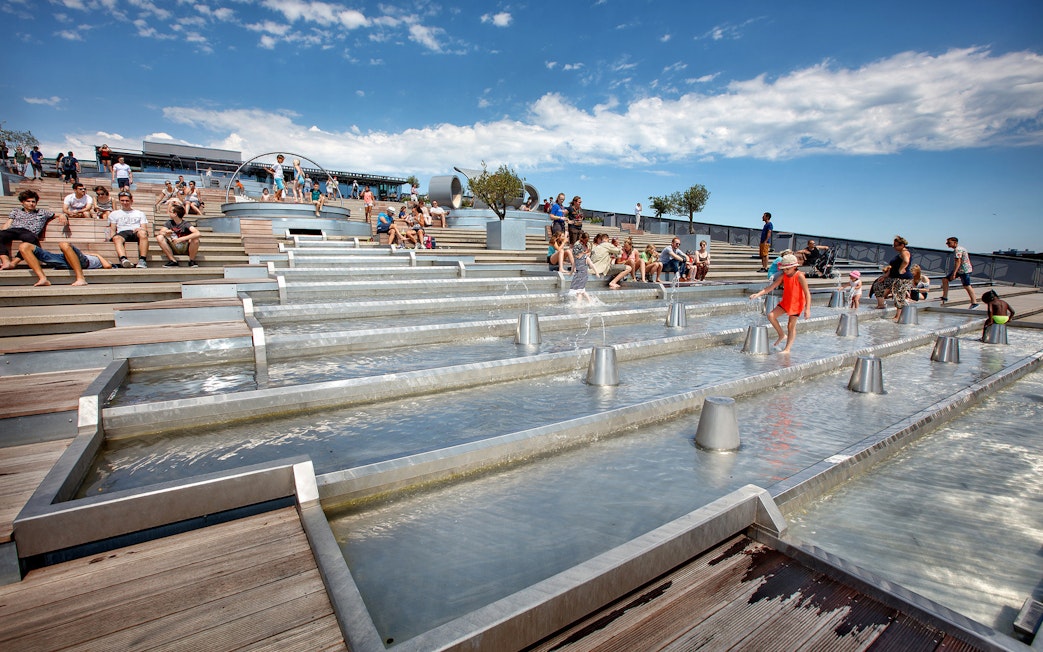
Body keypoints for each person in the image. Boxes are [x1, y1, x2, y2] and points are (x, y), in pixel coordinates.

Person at [749, 254, 811, 353]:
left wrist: (807, 309)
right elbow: (771, 287)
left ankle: (787, 348)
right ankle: (782, 335)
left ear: (794, 267)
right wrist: (758, 294)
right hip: (786, 301)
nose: (785, 271)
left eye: (787, 269)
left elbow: (807, 293)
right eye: (784, 269)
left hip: (796, 303)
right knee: (771, 315)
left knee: (791, 325)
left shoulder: (800, 276)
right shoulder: (783, 275)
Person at [1, 189, 68, 269]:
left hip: (29, 232)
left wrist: (63, 215)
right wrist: (3, 232)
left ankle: (14, 263)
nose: (31, 204)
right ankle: (5, 261)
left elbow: (59, 214)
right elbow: (9, 222)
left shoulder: (42, 212)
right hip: (14, 230)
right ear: (22, 202)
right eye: (28, 201)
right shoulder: (16, 211)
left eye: (33, 202)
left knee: (31, 239)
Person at [19, 240, 112, 286]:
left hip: (83, 262)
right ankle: (43, 278)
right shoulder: (87, 256)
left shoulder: (98, 259)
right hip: (65, 259)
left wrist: (97, 254)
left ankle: (81, 278)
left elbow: (107, 266)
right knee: (24, 246)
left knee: (63, 244)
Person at [107, 191, 151, 268]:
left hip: (135, 232)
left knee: (143, 233)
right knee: (116, 238)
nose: (125, 202)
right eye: (122, 200)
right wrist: (111, 239)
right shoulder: (114, 214)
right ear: (119, 201)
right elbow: (113, 229)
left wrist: (140, 229)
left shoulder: (139, 213)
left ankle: (142, 260)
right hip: (122, 233)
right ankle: (123, 259)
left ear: (131, 201)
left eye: (127, 200)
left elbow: (145, 229)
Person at [156, 202, 200, 267]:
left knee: (196, 239)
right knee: (159, 237)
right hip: (173, 246)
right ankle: (173, 261)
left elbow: (198, 233)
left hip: (185, 246)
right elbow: (160, 232)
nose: (168, 213)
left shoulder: (185, 224)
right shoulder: (169, 223)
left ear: (175, 214)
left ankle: (191, 260)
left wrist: (181, 239)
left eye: (170, 211)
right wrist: (166, 232)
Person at [939, 236, 978, 309]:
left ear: (955, 242)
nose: (947, 244)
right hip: (961, 270)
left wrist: (954, 273)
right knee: (945, 279)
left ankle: (974, 302)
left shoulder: (958, 250)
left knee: (967, 285)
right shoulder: (960, 249)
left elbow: (958, 261)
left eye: (949, 242)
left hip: (964, 270)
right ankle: (945, 297)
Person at [885, 235, 914, 322]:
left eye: (895, 245)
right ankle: (899, 315)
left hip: (903, 278)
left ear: (902, 245)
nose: (894, 247)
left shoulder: (904, 252)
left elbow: (906, 261)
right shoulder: (901, 253)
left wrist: (901, 268)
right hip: (897, 277)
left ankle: (898, 316)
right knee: (897, 294)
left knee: (899, 295)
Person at [568, 232, 592, 302]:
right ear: (582, 238)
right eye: (585, 240)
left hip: (584, 265)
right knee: (581, 289)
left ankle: (582, 302)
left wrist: (587, 254)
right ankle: (588, 301)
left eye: (587, 240)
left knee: (581, 289)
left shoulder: (588, 244)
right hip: (578, 263)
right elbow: (576, 255)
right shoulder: (577, 244)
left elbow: (588, 252)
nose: (586, 242)